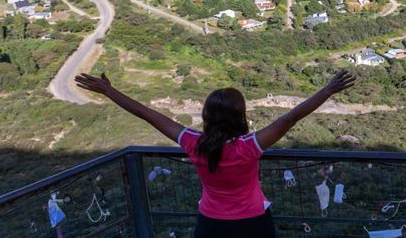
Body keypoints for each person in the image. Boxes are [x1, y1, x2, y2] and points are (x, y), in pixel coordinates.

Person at [75, 70, 358, 238]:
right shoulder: (249, 146)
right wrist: (328, 90)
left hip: (210, 224)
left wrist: (109, 91)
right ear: (241, 116)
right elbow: (292, 117)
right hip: (253, 224)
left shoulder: (194, 143)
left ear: (207, 116)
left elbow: (149, 115)